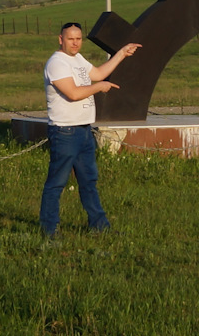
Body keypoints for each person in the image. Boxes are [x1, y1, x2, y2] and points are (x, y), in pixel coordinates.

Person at [41, 21, 139, 237]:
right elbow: (73, 93)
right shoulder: (57, 63)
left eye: (78, 39)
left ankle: (99, 226)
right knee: (56, 183)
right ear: (60, 39)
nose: (75, 43)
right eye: (70, 39)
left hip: (84, 131)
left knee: (89, 181)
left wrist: (121, 53)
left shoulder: (77, 59)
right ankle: (49, 230)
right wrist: (99, 88)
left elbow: (98, 73)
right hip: (65, 131)